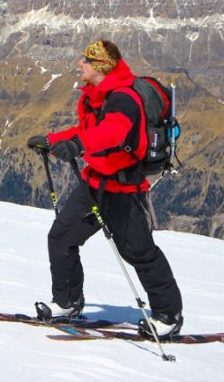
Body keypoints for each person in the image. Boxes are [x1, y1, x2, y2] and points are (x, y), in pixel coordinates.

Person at [27, 39, 183, 338]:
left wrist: (78, 145)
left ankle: (168, 315)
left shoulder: (124, 98)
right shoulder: (95, 97)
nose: (80, 64)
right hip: (95, 183)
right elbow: (89, 132)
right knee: (61, 237)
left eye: (85, 60)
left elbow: (113, 132)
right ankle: (67, 302)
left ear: (99, 66)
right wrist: (52, 139)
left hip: (123, 190)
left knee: (139, 252)